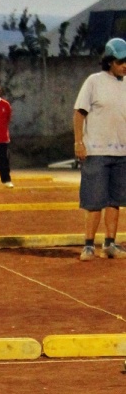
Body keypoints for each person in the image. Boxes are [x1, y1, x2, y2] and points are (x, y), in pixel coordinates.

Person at [74, 36, 126, 260]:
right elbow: (79, 113)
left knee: (115, 201)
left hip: (122, 153)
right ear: (109, 61)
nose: (125, 65)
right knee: (94, 201)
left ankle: (110, 244)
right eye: (121, 61)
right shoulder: (94, 81)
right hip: (96, 152)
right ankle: (88, 245)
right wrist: (78, 142)